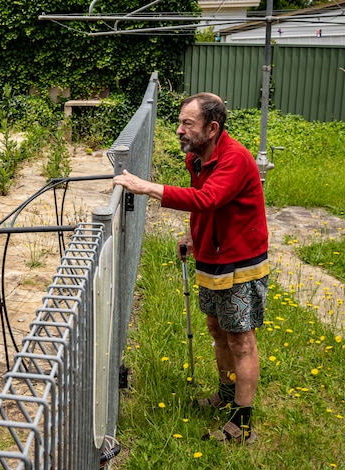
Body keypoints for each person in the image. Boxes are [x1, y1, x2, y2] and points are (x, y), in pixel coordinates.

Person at [113, 92, 269, 444]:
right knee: (217, 329)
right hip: (211, 257)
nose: (179, 130)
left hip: (239, 262)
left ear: (212, 128)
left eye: (188, 124)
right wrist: (191, 235)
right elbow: (206, 207)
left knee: (241, 340)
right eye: (180, 122)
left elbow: (207, 199)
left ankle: (242, 425)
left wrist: (144, 186)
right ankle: (225, 397)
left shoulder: (236, 160)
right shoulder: (198, 159)